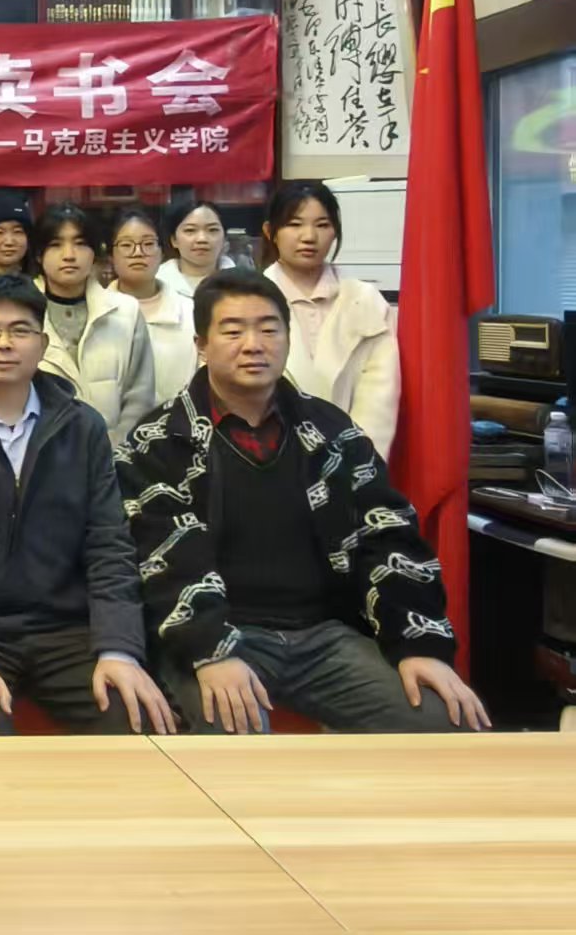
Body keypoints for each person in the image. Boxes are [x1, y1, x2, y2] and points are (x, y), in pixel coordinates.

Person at [115, 269, 488, 736]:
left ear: (288, 339)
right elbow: (161, 557)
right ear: (201, 345)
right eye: (232, 331)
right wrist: (210, 649)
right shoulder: (158, 441)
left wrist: (416, 644)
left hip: (323, 636)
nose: (253, 345)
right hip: (221, 632)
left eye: (269, 329)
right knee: (233, 733)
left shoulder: (330, 430)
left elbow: (387, 534)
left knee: (444, 721)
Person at [0, 274, 174, 738]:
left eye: (20, 330)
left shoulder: (81, 426)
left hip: (67, 629)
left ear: (43, 343)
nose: (3, 343)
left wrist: (118, 649)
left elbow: (108, 544)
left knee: (137, 720)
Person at [263, 181, 401, 455]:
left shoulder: (365, 301)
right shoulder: (247, 300)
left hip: (352, 460)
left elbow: (380, 399)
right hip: (269, 458)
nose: (309, 236)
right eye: (294, 224)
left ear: (335, 231)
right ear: (271, 232)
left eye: (322, 225)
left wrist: (357, 463)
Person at [32, 203, 155, 446]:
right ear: (38, 254)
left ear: (95, 253)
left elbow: (139, 396)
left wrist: (117, 451)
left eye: (80, 244)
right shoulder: (20, 315)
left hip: (114, 455)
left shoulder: (126, 311)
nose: (69, 255)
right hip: (41, 455)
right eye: (56, 245)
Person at [108, 206, 198, 406]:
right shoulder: (95, 313)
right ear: (111, 255)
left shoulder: (190, 312)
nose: (138, 253)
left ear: (162, 252)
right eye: (126, 245)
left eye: (148, 244)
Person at [158, 197, 234, 299]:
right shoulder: (156, 284)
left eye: (212, 230)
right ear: (174, 240)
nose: (202, 239)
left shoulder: (244, 284)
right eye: (190, 230)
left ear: (224, 238)